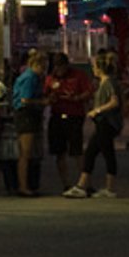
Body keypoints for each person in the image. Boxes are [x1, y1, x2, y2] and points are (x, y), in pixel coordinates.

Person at [65, 49, 122, 199]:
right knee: (92, 153)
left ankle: (97, 187)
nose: (93, 70)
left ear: (100, 68)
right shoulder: (107, 82)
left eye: (94, 67)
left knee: (102, 153)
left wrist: (96, 110)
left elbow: (114, 102)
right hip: (105, 123)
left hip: (106, 123)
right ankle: (85, 185)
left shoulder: (107, 82)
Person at [43, 51, 90, 194]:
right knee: (59, 152)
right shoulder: (50, 79)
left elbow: (88, 92)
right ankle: (66, 183)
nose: (59, 71)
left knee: (77, 151)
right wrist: (51, 97)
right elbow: (45, 94)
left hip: (74, 115)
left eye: (61, 67)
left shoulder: (78, 75)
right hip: (57, 115)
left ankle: (84, 183)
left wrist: (77, 97)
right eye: (56, 68)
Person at [9, 50, 47, 196]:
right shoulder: (30, 78)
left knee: (27, 152)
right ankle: (23, 186)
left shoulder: (31, 77)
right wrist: (42, 101)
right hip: (26, 115)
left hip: (28, 114)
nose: (44, 69)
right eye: (43, 66)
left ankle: (26, 184)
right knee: (25, 152)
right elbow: (25, 99)